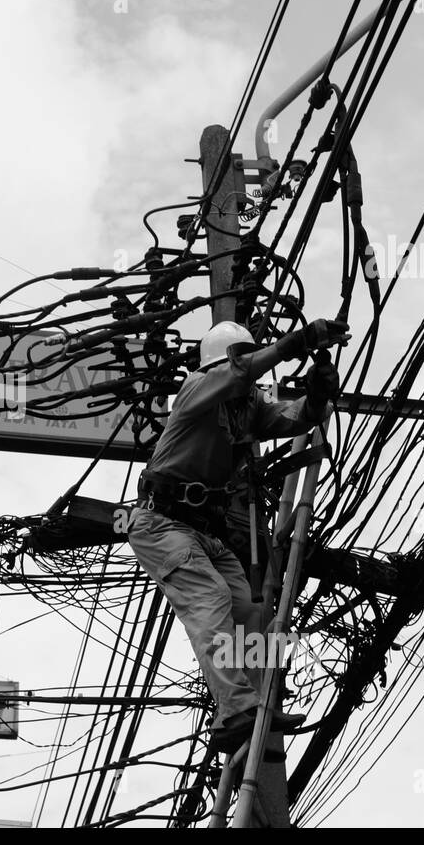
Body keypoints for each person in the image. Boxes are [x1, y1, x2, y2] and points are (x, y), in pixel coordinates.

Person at [127, 318, 349, 752]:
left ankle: (244, 707)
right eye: (242, 362)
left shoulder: (248, 407)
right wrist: (295, 343)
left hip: (203, 532)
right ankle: (236, 711)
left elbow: (296, 418)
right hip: (160, 523)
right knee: (210, 598)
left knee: (249, 610)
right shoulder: (196, 388)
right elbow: (242, 371)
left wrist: (319, 396)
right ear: (221, 365)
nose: (251, 372)